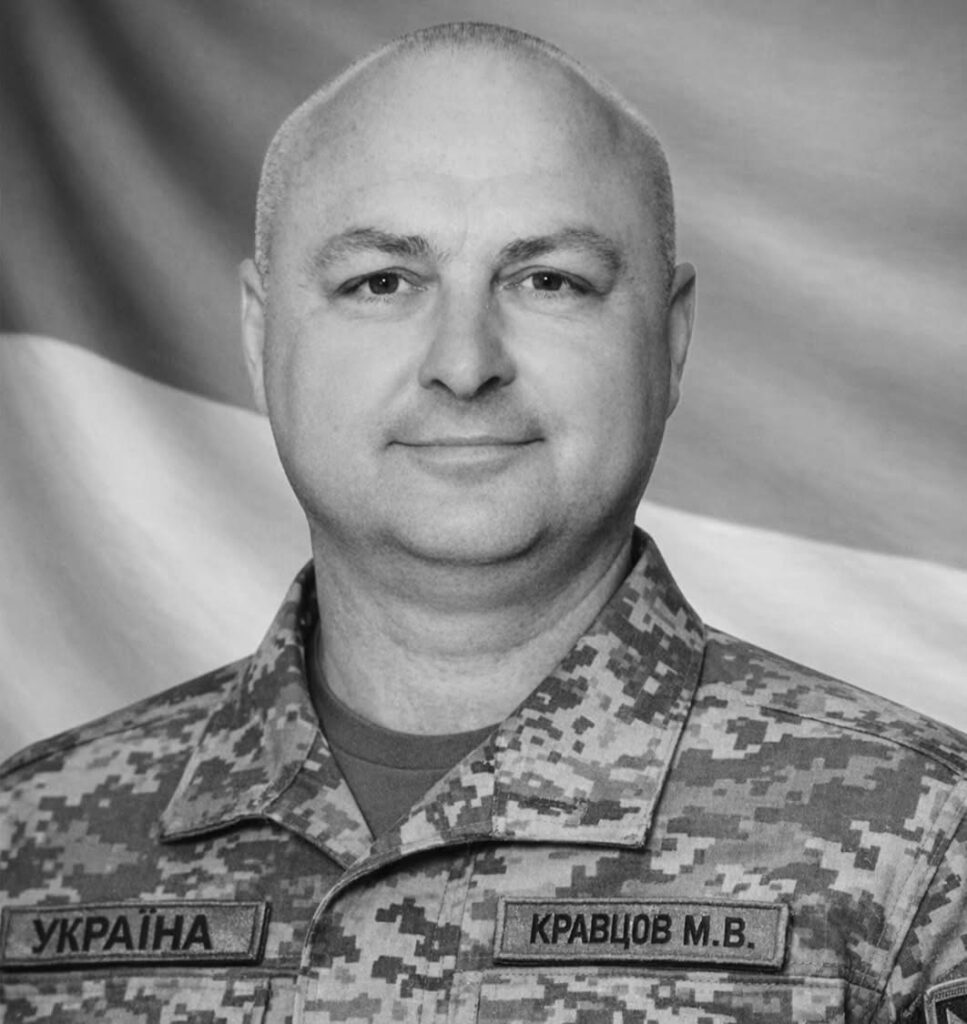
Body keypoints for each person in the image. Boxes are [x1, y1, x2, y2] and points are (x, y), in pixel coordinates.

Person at [1, 21, 965, 1024]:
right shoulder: (25, 844)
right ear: (259, 332)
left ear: (669, 339)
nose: (464, 364)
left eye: (549, 281)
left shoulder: (930, 848)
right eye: (381, 282)